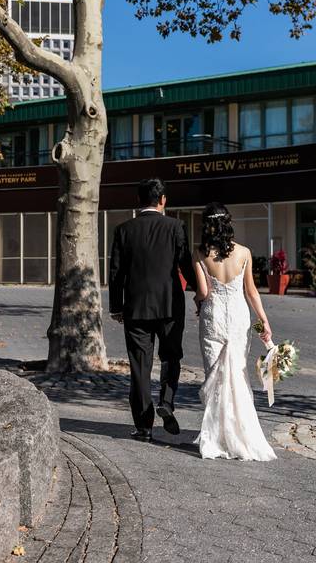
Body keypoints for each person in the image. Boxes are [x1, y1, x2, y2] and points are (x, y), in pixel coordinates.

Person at [108, 178, 195, 442]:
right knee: (171, 357)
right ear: (163, 200)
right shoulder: (176, 227)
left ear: (139, 200)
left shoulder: (124, 230)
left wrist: (116, 306)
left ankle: (144, 426)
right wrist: (203, 294)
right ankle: (167, 403)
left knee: (140, 366)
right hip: (170, 306)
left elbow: (115, 273)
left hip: (135, 308)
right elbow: (186, 265)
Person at [192, 202, 276, 461]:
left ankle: (218, 437)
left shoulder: (200, 253)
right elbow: (251, 293)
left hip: (213, 318)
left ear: (207, 225)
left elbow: (204, 292)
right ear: (228, 224)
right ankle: (241, 434)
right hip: (239, 319)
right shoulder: (244, 253)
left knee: (215, 377)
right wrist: (264, 326)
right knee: (237, 376)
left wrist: (197, 302)